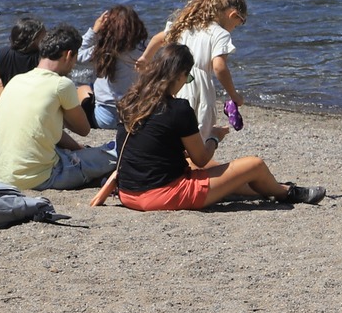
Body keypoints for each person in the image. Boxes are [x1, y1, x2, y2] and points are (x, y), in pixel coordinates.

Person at [107, 43, 322, 209]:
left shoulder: (131, 101)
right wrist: (214, 137)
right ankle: (287, 192)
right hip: (160, 195)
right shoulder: (178, 109)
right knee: (254, 165)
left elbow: (153, 145)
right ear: (180, 74)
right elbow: (202, 157)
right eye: (188, 77)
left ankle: (267, 188)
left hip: (129, 192)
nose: (186, 82)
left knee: (205, 167)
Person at [0, 26, 115, 191]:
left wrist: (78, 148)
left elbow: (43, 129)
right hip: (41, 177)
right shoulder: (61, 85)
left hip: (4, 175)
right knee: (117, 151)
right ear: (69, 54)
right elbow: (83, 129)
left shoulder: (16, 80)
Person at [148, 0, 248, 148]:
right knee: (198, 132)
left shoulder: (186, 25)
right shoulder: (220, 34)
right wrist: (234, 95)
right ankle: (196, 165)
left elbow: (158, 39)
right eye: (237, 25)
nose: (234, 29)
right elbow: (219, 67)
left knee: (176, 129)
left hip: (177, 82)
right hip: (198, 87)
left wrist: (145, 59)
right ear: (233, 15)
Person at [79, 4, 148, 142]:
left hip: (105, 120)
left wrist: (94, 31)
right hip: (135, 116)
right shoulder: (143, 51)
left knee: (82, 88)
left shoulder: (101, 51)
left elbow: (77, 54)